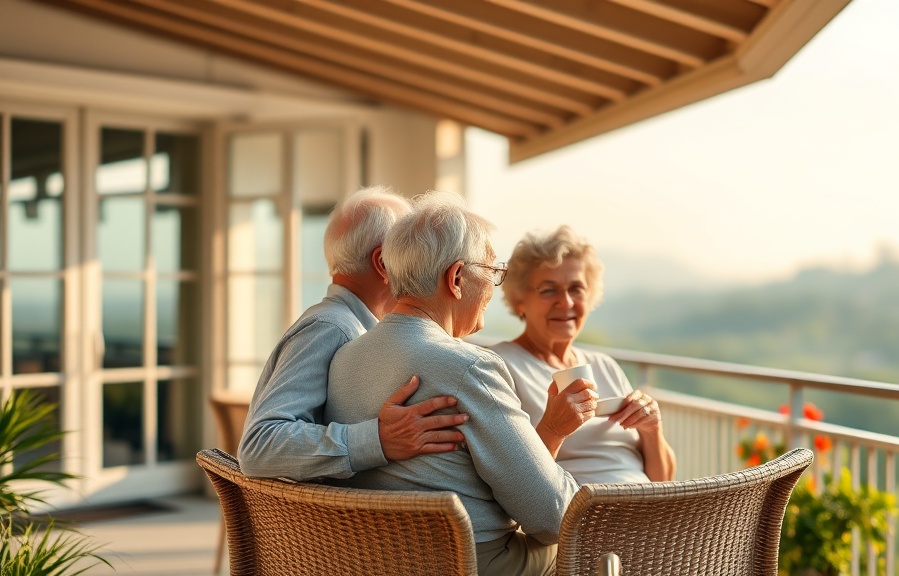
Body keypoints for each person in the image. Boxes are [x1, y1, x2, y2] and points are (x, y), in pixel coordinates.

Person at [325, 192, 577, 576]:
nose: (494, 286)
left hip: (366, 560)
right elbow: (552, 515)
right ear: (456, 278)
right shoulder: (469, 367)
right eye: (492, 271)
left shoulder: (342, 360)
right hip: (467, 562)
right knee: (586, 545)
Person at [237, 186, 468, 481]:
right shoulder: (331, 328)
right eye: (411, 248)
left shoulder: (351, 326)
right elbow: (259, 445)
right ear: (383, 262)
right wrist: (379, 440)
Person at [490, 225, 677, 485]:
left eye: (576, 289)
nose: (566, 302)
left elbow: (663, 480)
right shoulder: (498, 366)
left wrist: (652, 429)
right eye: (549, 290)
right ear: (519, 299)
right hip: (583, 508)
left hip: (648, 504)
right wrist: (553, 429)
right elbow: (513, 483)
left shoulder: (605, 366)